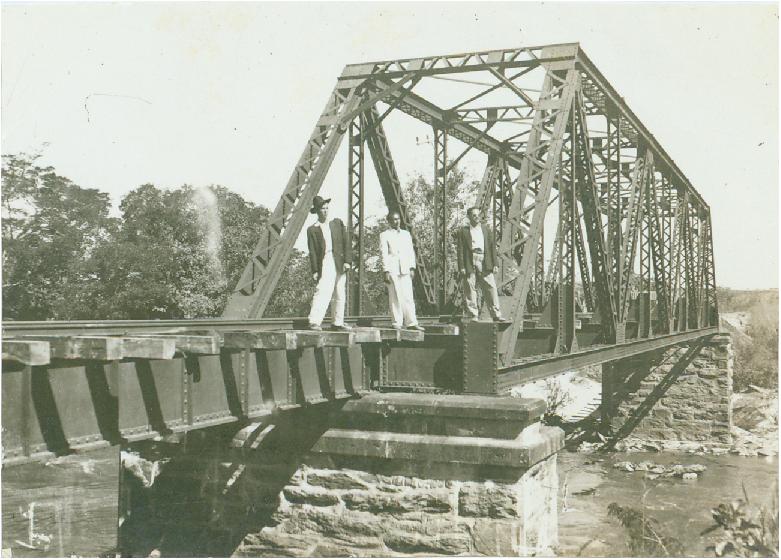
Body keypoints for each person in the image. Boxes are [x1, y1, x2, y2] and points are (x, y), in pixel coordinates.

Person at [306, 195, 352, 331]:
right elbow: (312, 251)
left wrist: (347, 261)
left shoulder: (337, 223)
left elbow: (346, 243)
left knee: (339, 291)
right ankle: (314, 321)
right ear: (317, 211)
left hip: (339, 260)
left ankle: (338, 323)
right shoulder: (312, 229)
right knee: (323, 290)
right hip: (325, 261)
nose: (325, 211)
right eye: (322, 209)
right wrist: (314, 270)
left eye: (327, 208)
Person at [456, 206, 506, 321]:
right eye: (474, 215)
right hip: (470, 259)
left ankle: (496, 314)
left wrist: (495, 264)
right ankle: (473, 315)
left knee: (490, 286)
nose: (477, 217)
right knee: (470, 287)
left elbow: (492, 247)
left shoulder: (486, 229)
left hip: (484, 259)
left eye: (478, 214)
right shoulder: (463, 231)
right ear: (469, 217)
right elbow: (460, 250)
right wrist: (462, 267)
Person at [379, 210, 424, 331]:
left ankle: (411, 322)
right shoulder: (385, 235)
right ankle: (396, 323)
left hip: (405, 268)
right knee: (394, 297)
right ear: (389, 221)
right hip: (392, 268)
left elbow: (410, 251)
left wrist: (412, 267)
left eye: (398, 219)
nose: (397, 221)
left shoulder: (406, 234)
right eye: (394, 219)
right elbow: (384, 254)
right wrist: (385, 270)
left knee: (408, 296)